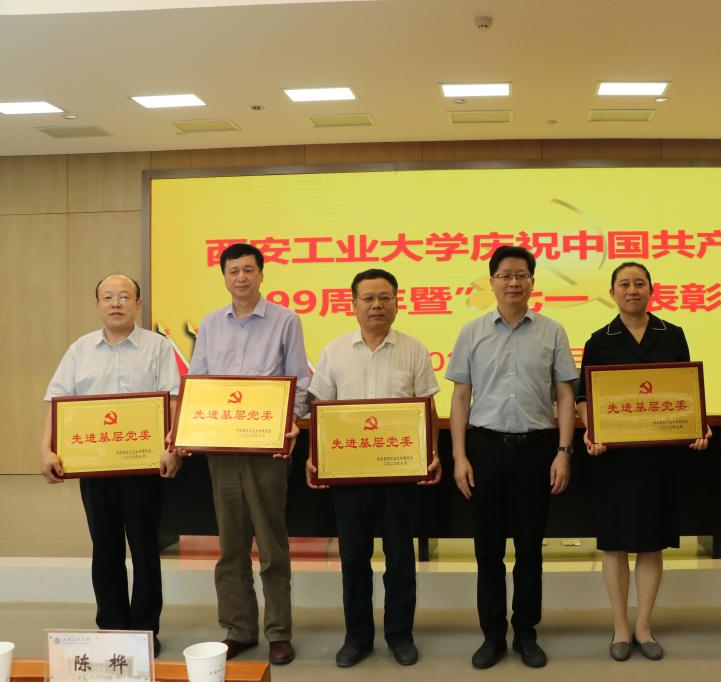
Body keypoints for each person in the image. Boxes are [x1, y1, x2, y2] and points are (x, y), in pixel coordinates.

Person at [447, 245, 578, 669]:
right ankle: (492, 635)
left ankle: (526, 633)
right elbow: (461, 397)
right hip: (484, 449)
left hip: (536, 450)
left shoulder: (552, 331)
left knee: (529, 549)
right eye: (505, 275)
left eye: (521, 275)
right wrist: (459, 456)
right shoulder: (471, 332)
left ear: (532, 282)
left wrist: (563, 452)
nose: (513, 282)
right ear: (492, 282)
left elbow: (565, 394)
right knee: (487, 550)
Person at [304, 268, 441, 668]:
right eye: (368, 298)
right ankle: (357, 637)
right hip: (350, 476)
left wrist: (432, 452)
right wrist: (315, 458)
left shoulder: (414, 349)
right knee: (353, 559)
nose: (377, 305)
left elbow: (427, 408)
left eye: (385, 297)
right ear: (353, 305)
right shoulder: (334, 351)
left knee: (400, 557)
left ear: (397, 303)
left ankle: (400, 635)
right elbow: (319, 410)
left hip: (399, 472)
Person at [575, 262, 710, 662]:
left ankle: (644, 626)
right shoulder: (599, 340)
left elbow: (684, 390)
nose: (632, 290)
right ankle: (620, 626)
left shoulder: (673, 334)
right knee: (614, 545)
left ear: (651, 290)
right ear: (612, 293)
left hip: (658, 457)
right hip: (613, 459)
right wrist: (591, 429)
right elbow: (583, 399)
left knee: (652, 544)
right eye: (624, 284)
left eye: (639, 283)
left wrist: (697, 424)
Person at [41, 274, 182, 657]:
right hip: (95, 466)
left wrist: (172, 447)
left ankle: (145, 630)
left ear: (138, 304)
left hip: (143, 467)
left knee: (144, 547)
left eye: (124, 296)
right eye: (108, 297)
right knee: (104, 546)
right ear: (98, 304)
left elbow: (172, 401)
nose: (116, 303)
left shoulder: (158, 347)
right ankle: (112, 627)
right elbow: (57, 402)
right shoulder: (80, 349)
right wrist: (45, 449)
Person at [187, 243, 308, 665]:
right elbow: (198, 380)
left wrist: (293, 420)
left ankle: (279, 633)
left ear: (261, 274)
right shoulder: (210, 323)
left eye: (248, 270)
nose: (241, 277)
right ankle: (238, 628)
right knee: (231, 544)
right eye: (233, 270)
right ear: (224, 276)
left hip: (266, 448)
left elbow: (299, 378)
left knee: (271, 545)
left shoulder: (286, 320)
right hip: (222, 447)